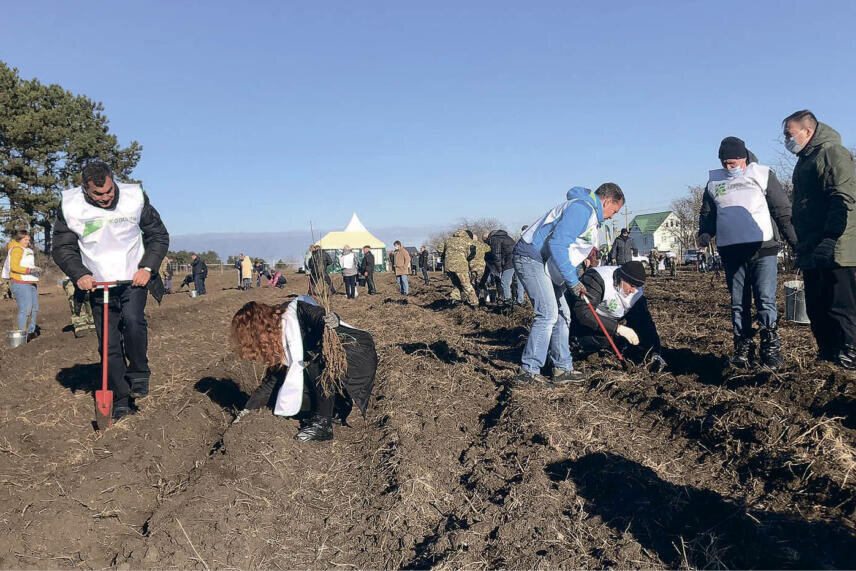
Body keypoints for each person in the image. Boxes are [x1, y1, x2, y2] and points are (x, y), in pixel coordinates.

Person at [52, 161, 169, 421]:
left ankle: (139, 371)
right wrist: (79, 274)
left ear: (113, 182)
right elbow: (62, 247)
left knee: (133, 321)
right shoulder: (70, 206)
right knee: (108, 345)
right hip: (97, 284)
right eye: (98, 194)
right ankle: (120, 398)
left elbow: (158, 236)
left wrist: (148, 268)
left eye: (109, 192)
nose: (106, 198)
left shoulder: (134, 198)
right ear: (85, 190)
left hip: (134, 278)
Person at [698, 136, 797, 369]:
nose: (728, 168)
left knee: (765, 298)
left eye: (732, 163)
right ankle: (743, 347)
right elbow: (707, 215)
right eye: (724, 163)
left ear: (743, 158)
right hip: (731, 250)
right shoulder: (713, 182)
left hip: (763, 248)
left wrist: (795, 242)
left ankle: (770, 347)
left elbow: (782, 209)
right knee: (738, 303)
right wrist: (704, 233)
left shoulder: (762, 174)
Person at [512, 183, 624, 385]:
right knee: (547, 313)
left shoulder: (588, 214)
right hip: (531, 257)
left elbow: (569, 252)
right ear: (606, 201)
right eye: (614, 211)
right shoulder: (581, 209)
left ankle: (562, 368)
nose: (612, 216)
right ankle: (528, 371)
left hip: (548, 263)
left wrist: (574, 277)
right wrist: (572, 282)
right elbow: (558, 243)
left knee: (564, 314)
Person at [230, 297, 377, 442]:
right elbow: (270, 382)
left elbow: (319, 315)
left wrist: (332, 319)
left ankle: (323, 424)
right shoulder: (278, 337)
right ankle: (336, 408)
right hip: (332, 365)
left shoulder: (295, 311)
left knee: (314, 363)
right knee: (285, 394)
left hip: (353, 353)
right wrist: (246, 411)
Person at [783, 110, 856, 369]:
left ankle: (850, 355)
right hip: (813, 248)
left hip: (838, 248)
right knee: (816, 306)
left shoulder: (832, 153)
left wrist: (831, 238)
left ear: (808, 130)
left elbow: (843, 197)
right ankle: (827, 355)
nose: (786, 139)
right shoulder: (805, 159)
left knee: (840, 306)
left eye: (789, 134)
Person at [569, 261, 666, 371]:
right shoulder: (597, 279)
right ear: (621, 278)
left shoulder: (636, 292)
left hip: (610, 321)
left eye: (637, 287)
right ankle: (578, 345)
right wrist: (617, 328)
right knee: (605, 338)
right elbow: (583, 312)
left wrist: (655, 351)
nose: (633, 291)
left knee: (635, 337)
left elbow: (646, 322)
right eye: (632, 286)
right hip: (583, 323)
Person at [6, 229, 41, 341]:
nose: (28, 241)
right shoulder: (16, 249)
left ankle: (30, 333)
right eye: (25, 239)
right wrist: (29, 271)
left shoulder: (26, 250)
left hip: (31, 282)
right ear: (19, 239)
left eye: (28, 239)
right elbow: (14, 267)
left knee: (34, 308)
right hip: (20, 283)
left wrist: (35, 270)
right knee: (25, 310)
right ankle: (21, 335)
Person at [442, 230, 478, 305]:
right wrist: (467, 259)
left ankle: (454, 299)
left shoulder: (448, 240)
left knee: (457, 284)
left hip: (448, 266)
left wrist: (445, 259)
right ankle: (474, 303)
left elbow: (440, 250)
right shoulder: (467, 240)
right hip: (460, 266)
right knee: (466, 285)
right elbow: (473, 253)